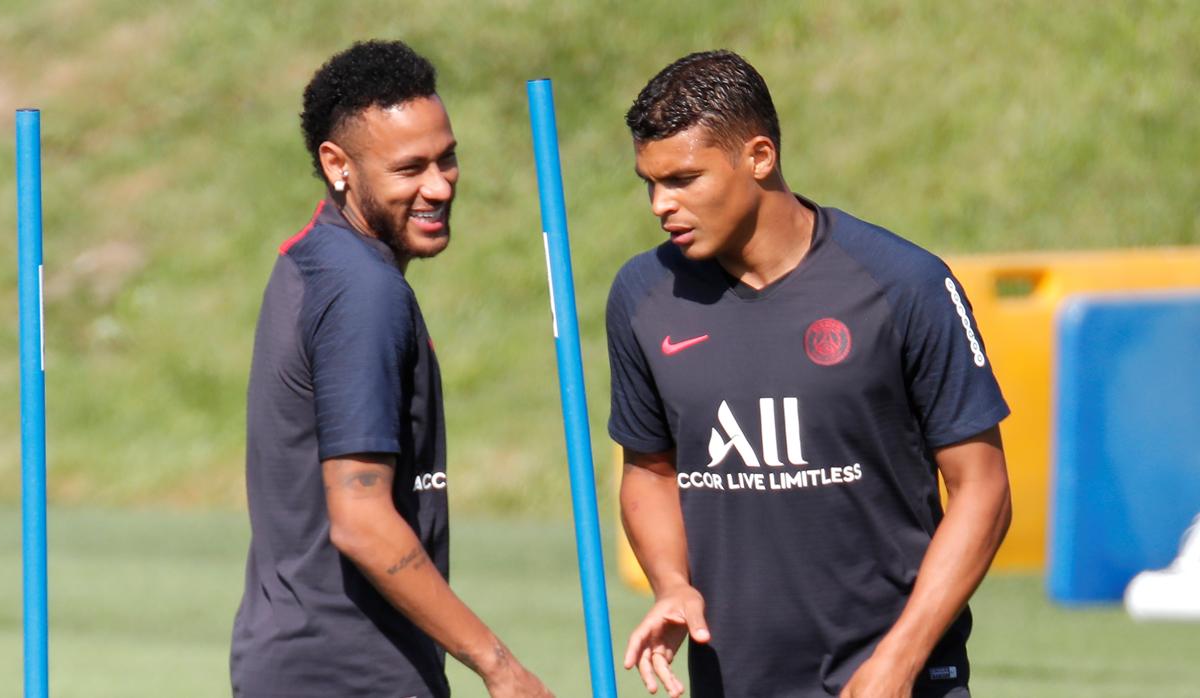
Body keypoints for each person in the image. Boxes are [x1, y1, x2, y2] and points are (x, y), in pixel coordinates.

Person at [607, 50, 1013, 698]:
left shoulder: (903, 284)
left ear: (759, 157)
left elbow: (983, 491)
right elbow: (649, 470)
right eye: (649, 183)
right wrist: (672, 585)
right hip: (732, 682)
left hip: (894, 683)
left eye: (684, 179)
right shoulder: (643, 295)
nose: (661, 204)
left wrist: (899, 660)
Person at [230, 40, 551, 698]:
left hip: (298, 662)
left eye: (447, 158)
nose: (439, 186)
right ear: (337, 164)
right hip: (351, 670)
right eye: (410, 169)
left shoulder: (312, 258)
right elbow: (361, 520)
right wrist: (500, 666)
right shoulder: (363, 293)